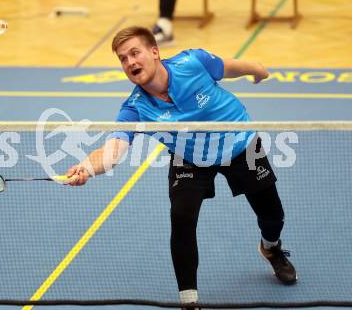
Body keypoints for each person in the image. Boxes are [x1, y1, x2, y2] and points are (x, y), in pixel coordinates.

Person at [66, 26, 297, 310]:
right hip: (189, 156)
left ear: (155, 52)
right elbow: (113, 151)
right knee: (181, 215)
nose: (130, 63)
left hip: (238, 142)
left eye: (134, 53)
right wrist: (87, 168)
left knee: (272, 214)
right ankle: (189, 299)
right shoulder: (136, 108)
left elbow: (231, 67)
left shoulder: (193, 62)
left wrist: (257, 70)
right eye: (123, 59)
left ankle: (271, 248)